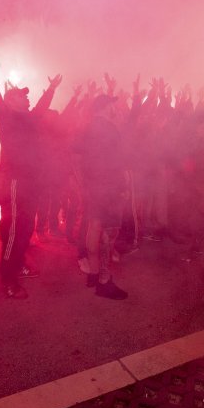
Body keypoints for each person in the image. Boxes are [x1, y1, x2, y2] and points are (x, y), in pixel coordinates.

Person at [0, 55, 62, 299]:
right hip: (16, 182)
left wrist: (51, 89)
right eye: (22, 95)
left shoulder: (30, 118)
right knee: (15, 230)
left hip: (32, 182)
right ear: (10, 101)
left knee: (25, 229)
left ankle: (18, 265)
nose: (27, 97)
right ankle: (8, 279)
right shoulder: (5, 117)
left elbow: (40, 107)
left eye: (26, 95)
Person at [74, 95, 128, 300]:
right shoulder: (109, 129)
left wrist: (82, 184)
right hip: (108, 188)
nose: (117, 106)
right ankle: (104, 281)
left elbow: (75, 157)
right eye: (114, 104)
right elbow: (117, 162)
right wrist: (121, 186)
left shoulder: (86, 127)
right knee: (108, 234)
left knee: (93, 228)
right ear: (106, 107)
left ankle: (94, 274)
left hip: (93, 187)